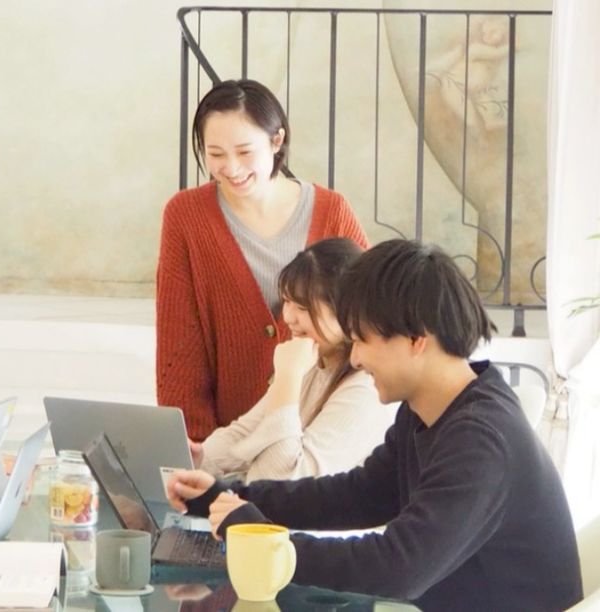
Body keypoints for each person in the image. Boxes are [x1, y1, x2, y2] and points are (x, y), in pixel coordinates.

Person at [166, 239, 583, 611]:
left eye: (363, 340)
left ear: (416, 339)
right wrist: (230, 497)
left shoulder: (480, 439)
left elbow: (398, 568)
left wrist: (262, 539)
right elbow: (358, 494)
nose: (356, 358)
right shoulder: (428, 409)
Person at [156, 78, 369, 441]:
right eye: (216, 154)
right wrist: (195, 449)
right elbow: (179, 343)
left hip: (316, 438)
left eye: (244, 152)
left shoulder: (332, 211)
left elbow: (371, 321)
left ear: (276, 140)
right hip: (226, 444)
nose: (231, 168)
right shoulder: (186, 217)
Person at [194, 238, 395, 482]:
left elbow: (281, 480)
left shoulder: (366, 388)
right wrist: (194, 461)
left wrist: (288, 377)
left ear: (345, 312)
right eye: (286, 302)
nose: (288, 317)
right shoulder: (312, 360)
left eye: (302, 307)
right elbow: (244, 433)